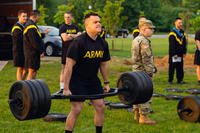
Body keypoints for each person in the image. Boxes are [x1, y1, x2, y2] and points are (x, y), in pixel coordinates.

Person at [63, 12, 110, 133]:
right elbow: (68, 66)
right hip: (77, 80)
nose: (99, 24)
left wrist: (106, 83)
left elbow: (103, 64)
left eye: (99, 21)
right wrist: (66, 88)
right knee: (77, 109)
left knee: (100, 106)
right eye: (95, 22)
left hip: (92, 79)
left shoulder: (103, 43)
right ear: (87, 25)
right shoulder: (78, 42)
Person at [131, 19, 156, 124]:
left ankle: (136, 113)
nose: (152, 31)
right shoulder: (144, 41)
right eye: (151, 29)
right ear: (144, 29)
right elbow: (146, 58)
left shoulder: (136, 39)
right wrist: (150, 71)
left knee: (137, 92)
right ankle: (144, 117)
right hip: (143, 72)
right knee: (146, 92)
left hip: (136, 71)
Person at [57, 11, 81, 94]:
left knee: (75, 68)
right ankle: (62, 87)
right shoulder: (62, 27)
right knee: (64, 68)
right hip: (66, 50)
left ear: (71, 17)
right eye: (65, 17)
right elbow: (65, 39)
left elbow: (80, 36)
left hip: (75, 50)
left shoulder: (75, 26)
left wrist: (70, 35)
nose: (66, 18)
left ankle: (72, 86)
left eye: (68, 17)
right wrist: (75, 36)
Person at [23, 10, 44, 80]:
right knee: (31, 71)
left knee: (34, 71)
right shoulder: (30, 26)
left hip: (32, 52)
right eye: (39, 16)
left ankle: (32, 88)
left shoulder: (32, 24)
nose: (39, 18)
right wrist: (41, 51)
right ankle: (28, 89)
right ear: (36, 16)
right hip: (31, 53)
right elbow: (34, 42)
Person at [168, 17, 187, 84]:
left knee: (180, 67)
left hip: (180, 53)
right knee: (172, 67)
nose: (181, 24)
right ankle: (170, 80)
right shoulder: (172, 33)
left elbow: (184, 43)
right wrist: (174, 54)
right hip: (174, 53)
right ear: (175, 23)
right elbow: (172, 45)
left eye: (181, 22)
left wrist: (184, 52)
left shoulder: (182, 32)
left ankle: (180, 79)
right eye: (179, 22)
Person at [11, 10, 27, 80]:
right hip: (18, 51)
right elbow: (21, 40)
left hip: (23, 51)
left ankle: (21, 84)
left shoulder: (23, 26)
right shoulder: (16, 28)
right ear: (19, 17)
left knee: (26, 69)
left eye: (26, 16)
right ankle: (19, 85)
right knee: (20, 68)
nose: (25, 18)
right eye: (23, 16)